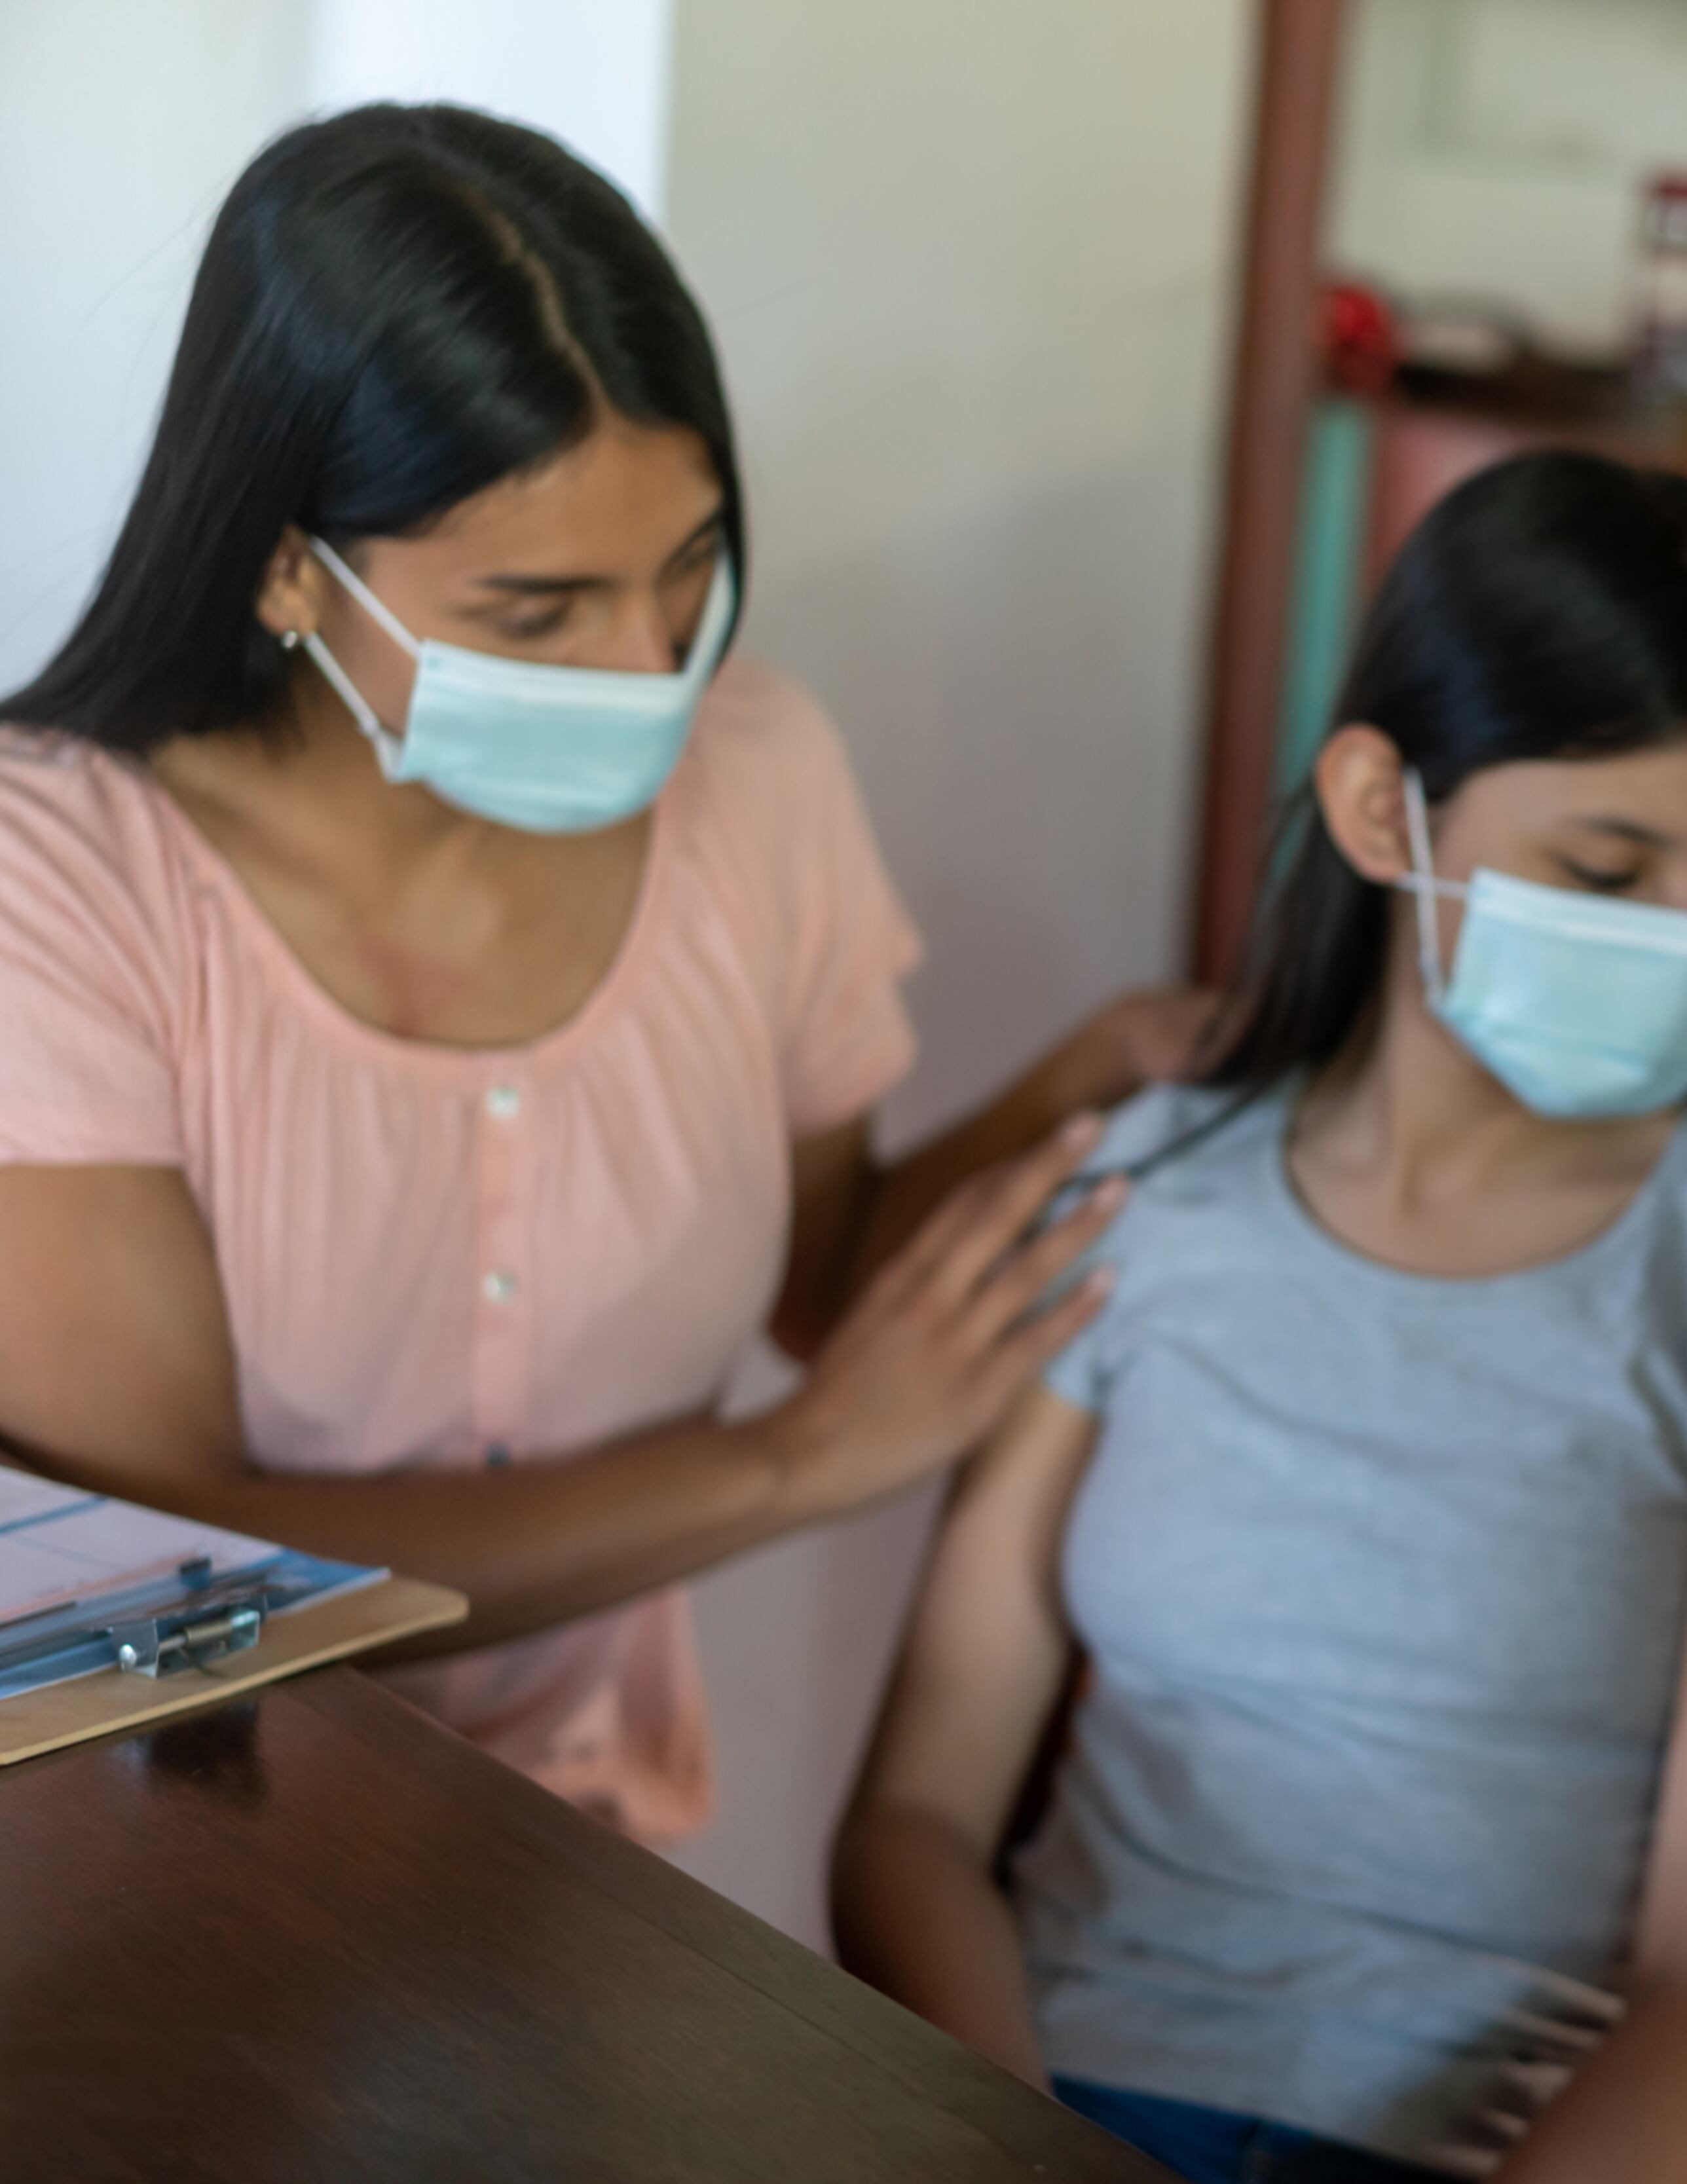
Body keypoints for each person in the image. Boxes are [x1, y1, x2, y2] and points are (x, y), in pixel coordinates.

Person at [0, 105, 1198, 1842]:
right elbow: (183, 1589)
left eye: (692, 568)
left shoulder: (761, 771)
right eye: (539, 615)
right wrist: (790, 1466)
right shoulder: (58, 880)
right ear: (282, 565)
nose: (651, 671)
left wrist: (1093, 1070)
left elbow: (826, 1281)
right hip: (163, 1873)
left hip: (577, 1871)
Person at [834, 450, 1687, 2182]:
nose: (1680, 943)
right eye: (1605, 865)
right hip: (1055, 2104)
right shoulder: (1151, 1190)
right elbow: (912, 1823)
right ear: (1376, 810)